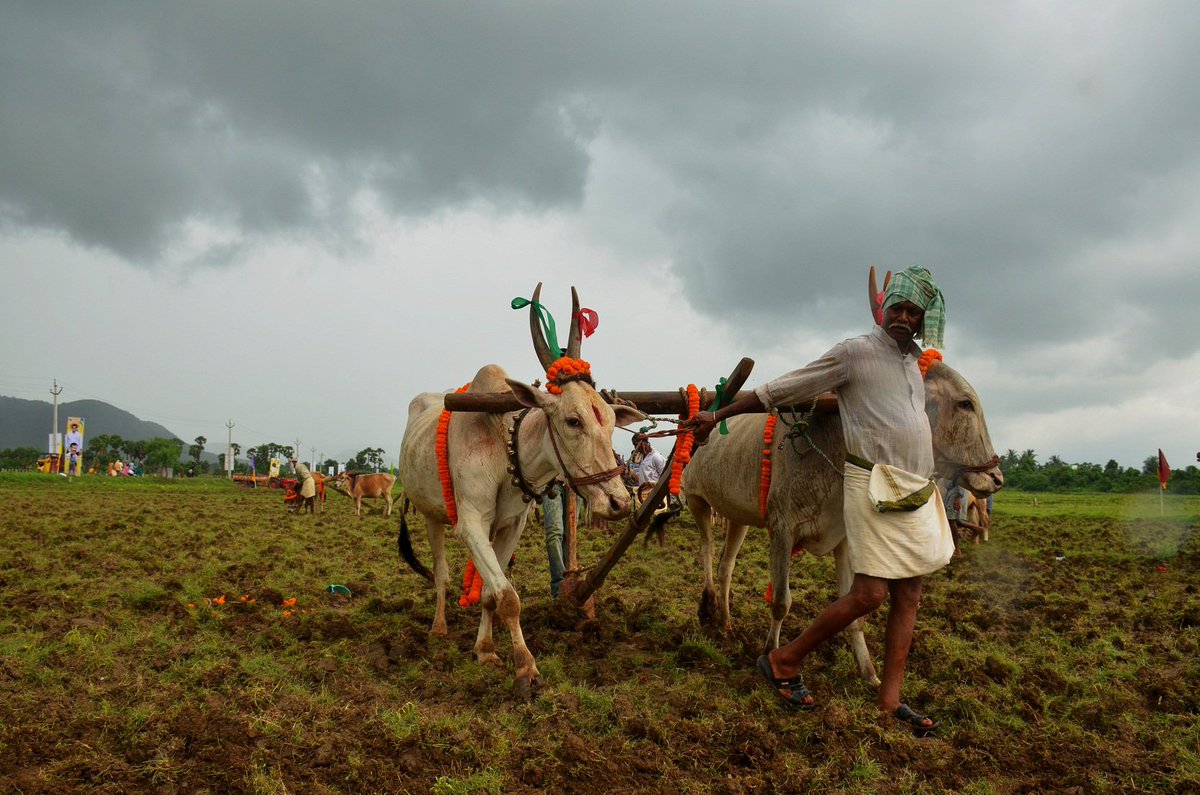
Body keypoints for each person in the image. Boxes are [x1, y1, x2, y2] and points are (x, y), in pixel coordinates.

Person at [688, 266, 954, 737]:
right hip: (872, 486)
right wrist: (719, 414)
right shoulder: (855, 353)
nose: (903, 317)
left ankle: (890, 701)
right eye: (897, 307)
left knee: (909, 595)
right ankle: (784, 659)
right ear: (884, 309)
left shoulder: (917, 366)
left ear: (921, 320)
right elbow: (783, 389)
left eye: (913, 312)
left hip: (915, 490)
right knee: (870, 594)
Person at [541, 486, 570, 597]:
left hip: (575, 485)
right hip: (552, 483)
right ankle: (559, 586)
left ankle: (570, 579)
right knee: (554, 533)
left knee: (570, 537)